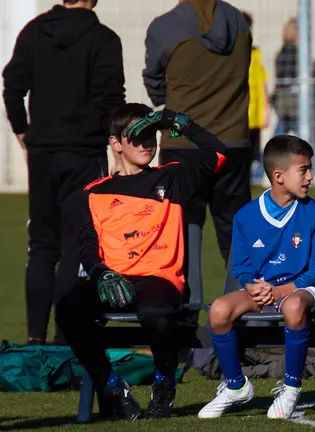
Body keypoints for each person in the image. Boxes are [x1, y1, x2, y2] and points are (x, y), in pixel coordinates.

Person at [55, 104, 227, 420]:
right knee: (68, 309)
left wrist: (176, 121)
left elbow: (218, 154)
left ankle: (164, 386)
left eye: (151, 135)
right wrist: (100, 273)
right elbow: (87, 248)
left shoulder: (173, 177)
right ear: (115, 143)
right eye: (137, 137)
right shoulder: (93, 193)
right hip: (112, 279)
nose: (147, 143)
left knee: (157, 312)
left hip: (158, 280)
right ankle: (110, 386)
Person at [2, 0, 125, 345]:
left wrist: (23, 129)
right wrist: (114, 143)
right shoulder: (103, 39)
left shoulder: (34, 32)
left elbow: (12, 84)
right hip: (84, 152)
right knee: (76, 246)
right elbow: (110, 99)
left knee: (41, 247)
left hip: (42, 153)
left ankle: (35, 339)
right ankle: (66, 338)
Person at [198, 136, 315, 420]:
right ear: (279, 176)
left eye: (310, 169)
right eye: (304, 170)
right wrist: (252, 286)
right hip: (264, 292)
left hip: (304, 289)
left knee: (294, 306)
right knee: (219, 310)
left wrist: (283, 290)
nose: (310, 176)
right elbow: (243, 269)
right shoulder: (246, 215)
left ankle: (292, 387)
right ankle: (235, 386)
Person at [142, 0, 252, 296]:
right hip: (233, 141)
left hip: (184, 142)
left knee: (183, 231)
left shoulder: (165, 26)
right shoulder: (239, 22)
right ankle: (244, 311)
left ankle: (187, 313)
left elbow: (154, 84)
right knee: (236, 230)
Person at [241, 10, 272, 185]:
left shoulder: (255, 52)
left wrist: (265, 110)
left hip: (254, 114)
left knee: (253, 154)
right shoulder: (230, 53)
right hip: (238, 114)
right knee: (239, 153)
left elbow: (262, 82)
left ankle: (250, 181)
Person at [273, 18, 299, 136]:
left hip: (283, 100)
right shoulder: (294, 53)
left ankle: (267, 153)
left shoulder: (281, 53)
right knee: (304, 134)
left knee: (281, 130)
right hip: (292, 100)